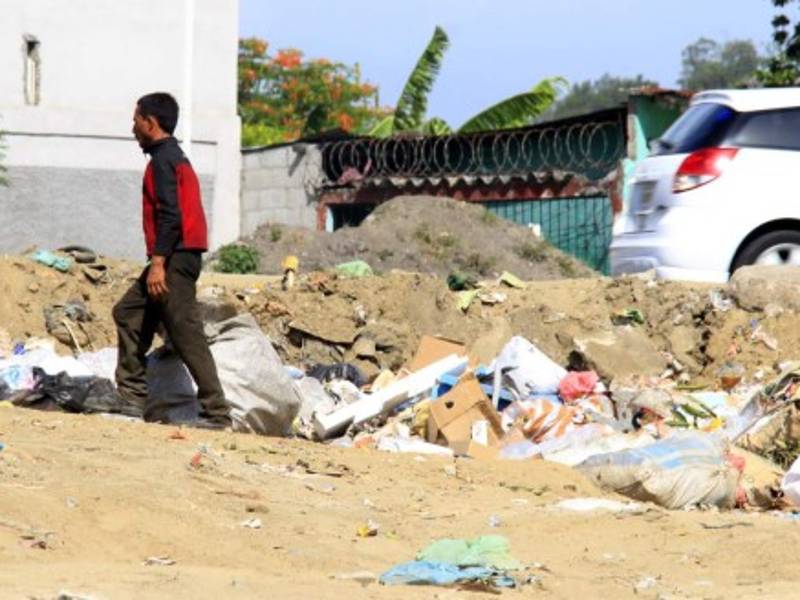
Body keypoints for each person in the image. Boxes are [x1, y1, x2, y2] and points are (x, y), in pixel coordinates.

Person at [112, 92, 231, 429]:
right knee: (130, 313)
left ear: (150, 123)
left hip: (175, 257)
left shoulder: (164, 161)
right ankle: (132, 397)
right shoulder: (172, 157)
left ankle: (216, 412)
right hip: (177, 255)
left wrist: (159, 262)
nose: (132, 128)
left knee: (184, 331)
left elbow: (171, 216)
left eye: (136, 120)